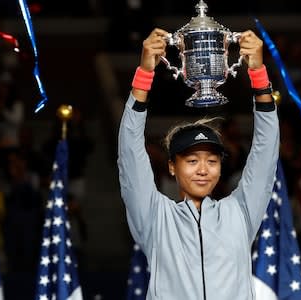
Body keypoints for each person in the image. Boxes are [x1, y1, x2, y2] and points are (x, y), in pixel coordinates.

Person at [117, 28, 279, 299]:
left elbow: (266, 154)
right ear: (172, 166)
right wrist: (144, 76)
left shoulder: (241, 212)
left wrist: (259, 76)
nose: (203, 169)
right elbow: (130, 154)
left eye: (212, 161)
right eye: (192, 160)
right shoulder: (155, 217)